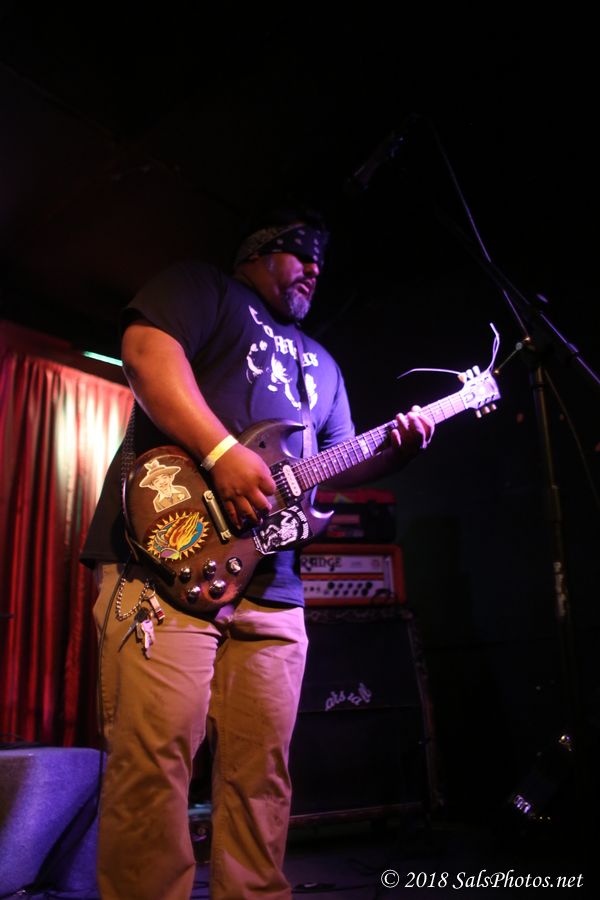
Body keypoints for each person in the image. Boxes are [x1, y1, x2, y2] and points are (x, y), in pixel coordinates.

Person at [81, 208, 434, 900]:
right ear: (257, 253)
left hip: (272, 586)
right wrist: (221, 452)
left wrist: (393, 452)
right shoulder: (204, 290)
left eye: (322, 262)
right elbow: (145, 350)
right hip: (163, 564)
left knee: (262, 777)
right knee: (153, 766)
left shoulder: (323, 365)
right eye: (300, 253)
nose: (314, 269)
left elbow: (335, 462)